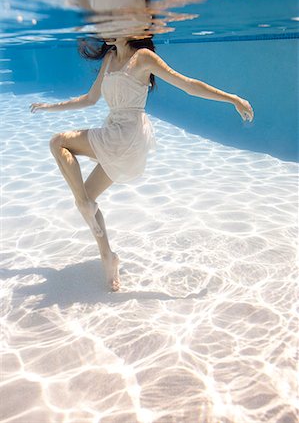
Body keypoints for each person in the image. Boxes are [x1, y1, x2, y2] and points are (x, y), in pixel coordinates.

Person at [30, 35, 254, 292]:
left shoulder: (143, 58)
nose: (106, 28)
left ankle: (83, 205)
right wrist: (50, 107)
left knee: (59, 143)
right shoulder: (110, 57)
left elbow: (189, 85)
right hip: (121, 137)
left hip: (124, 137)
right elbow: (90, 99)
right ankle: (108, 257)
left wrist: (233, 98)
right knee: (88, 198)